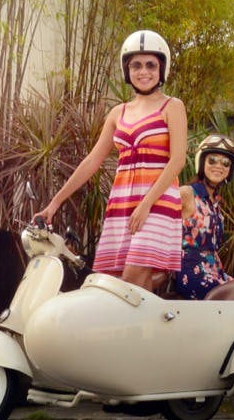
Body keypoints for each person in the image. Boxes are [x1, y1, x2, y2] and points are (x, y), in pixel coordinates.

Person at [35, 30, 187, 293]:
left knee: (129, 282)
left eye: (151, 64)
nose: (143, 71)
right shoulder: (119, 113)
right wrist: (54, 203)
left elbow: (178, 160)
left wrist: (146, 204)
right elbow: (92, 161)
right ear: (127, 70)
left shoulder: (172, 106)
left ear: (162, 67)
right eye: (136, 65)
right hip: (122, 205)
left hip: (156, 204)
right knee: (120, 288)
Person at [176, 134, 234, 299]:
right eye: (212, 160)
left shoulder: (215, 202)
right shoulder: (187, 193)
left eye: (225, 163)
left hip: (217, 271)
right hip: (192, 272)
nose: (219, 166)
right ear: (201, 162)